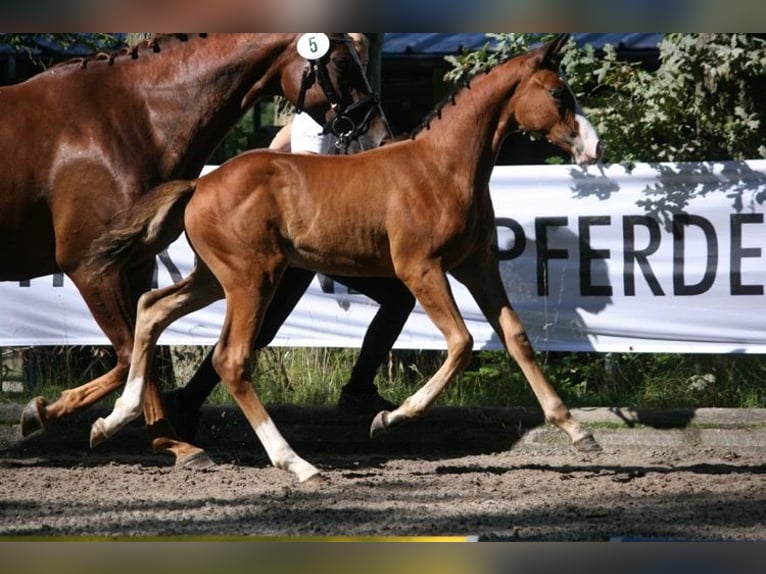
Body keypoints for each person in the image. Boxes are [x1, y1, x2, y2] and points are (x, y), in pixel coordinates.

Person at [162, 35, 414, 440]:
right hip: (305, 236)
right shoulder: (316, 120)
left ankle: (359, 389)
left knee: (398, 296)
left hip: (328, 236)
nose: (358, 71)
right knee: (259, 330)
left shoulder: (348, 114)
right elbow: (309, 172)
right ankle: (185, 402)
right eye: (351, 64)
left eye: (360, 64)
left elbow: (286, 145)